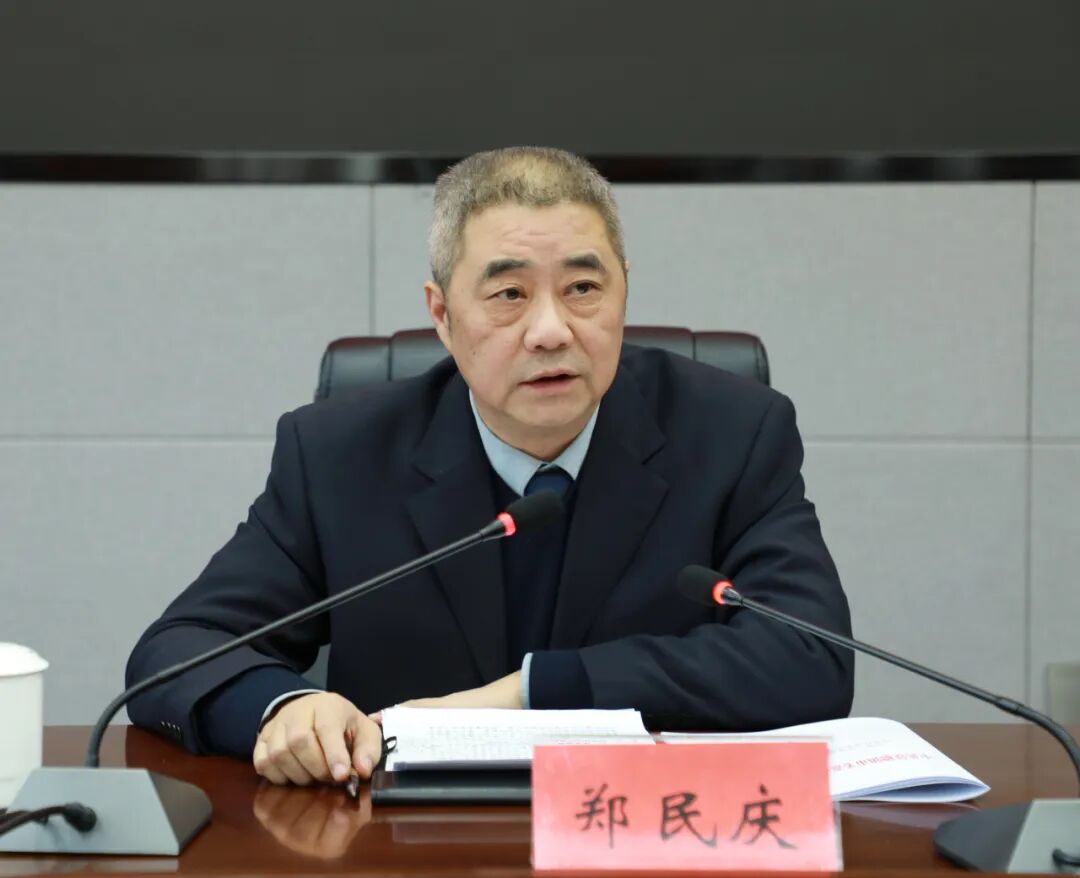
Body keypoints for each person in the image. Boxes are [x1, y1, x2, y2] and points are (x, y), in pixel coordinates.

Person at [127, 146, 853, 788]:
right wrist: (284, 707)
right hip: (404, 845)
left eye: (583, 289)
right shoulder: (340, 455)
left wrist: (534, 690)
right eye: (509, 295)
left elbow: (811, 656)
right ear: (442, 315)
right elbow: (177, 651)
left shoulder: (732, 433)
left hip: (646, 833)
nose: (551, 331)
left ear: (623, 291)